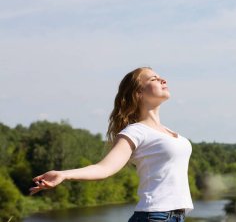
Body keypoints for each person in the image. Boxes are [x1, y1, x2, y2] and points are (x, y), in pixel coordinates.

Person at [30, 67, 194, 222]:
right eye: (154, 79)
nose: (163, 80)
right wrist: (64, 174)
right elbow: (105, 168)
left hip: (175, 216)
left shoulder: (167, 131)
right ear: (138, 93)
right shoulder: (136, 132)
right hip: (155, 216)